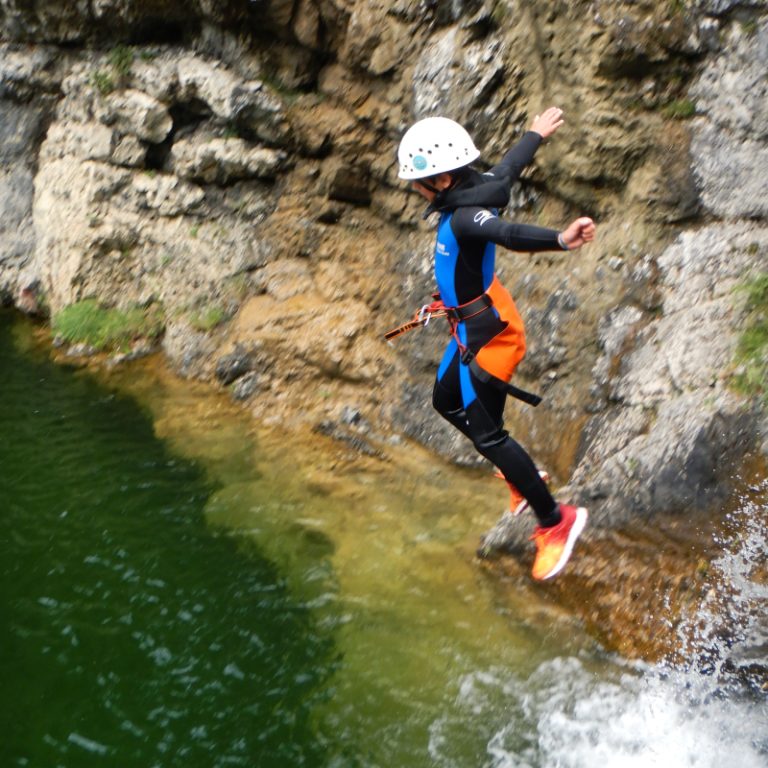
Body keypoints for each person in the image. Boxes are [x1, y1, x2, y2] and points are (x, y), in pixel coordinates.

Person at [396, 108, 594, 580]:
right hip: (470, 319)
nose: (413, 189)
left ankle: (556, 520)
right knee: (445, 400)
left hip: (489, 333)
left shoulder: (466, 216)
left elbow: (505, 234)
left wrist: (560, 240)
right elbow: (508, 168)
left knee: (489, 435)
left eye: (417, 182)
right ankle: (520, 476)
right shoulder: (473, 188)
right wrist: (535, 134)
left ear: (441, 180)